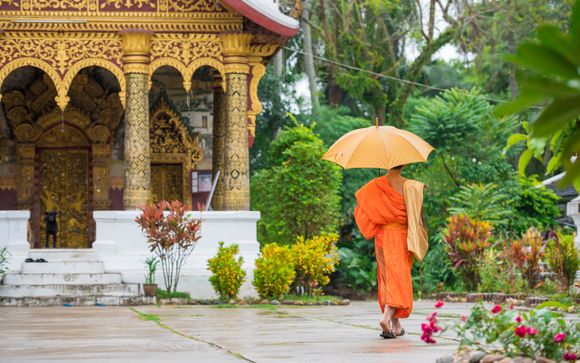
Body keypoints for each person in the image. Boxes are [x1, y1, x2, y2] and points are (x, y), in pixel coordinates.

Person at [354, 165, 428, 339]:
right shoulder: (411, 186)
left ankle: (396, 326)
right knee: (399, 277)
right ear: (405, 164)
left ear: (386, 164)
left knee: (388, 277)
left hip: (382, 236)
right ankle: (387, 318)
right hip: (402, 236)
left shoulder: (375, 185)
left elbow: (363, 211)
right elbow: (417, 216)